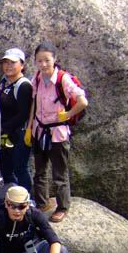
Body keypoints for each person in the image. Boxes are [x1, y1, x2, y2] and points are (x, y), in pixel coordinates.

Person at [26, 42, 88, 222]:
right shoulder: (37, 78)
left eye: (47, 60)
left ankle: (62, 207)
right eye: (39, 61)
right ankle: (42, 203)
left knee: (59, 173)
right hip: (39, 130)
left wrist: (68, 114)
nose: (43, 64)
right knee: (40, 171)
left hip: (58, 133)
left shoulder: (63, 79)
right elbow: (34, 102)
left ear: (54, 59)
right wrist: (29, 127)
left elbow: (83, 101)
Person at [0, 48, 34, 193]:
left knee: (20, 168)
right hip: (5, 135)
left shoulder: (24, 86)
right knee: (5, 167)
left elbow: (23, 114)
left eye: (12, 62)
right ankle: (10, 198)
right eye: (5, 62)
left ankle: (26, 199)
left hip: (19, 135)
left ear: (22, 65)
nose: (8, 66)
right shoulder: (4, 82)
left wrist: (3, 127)